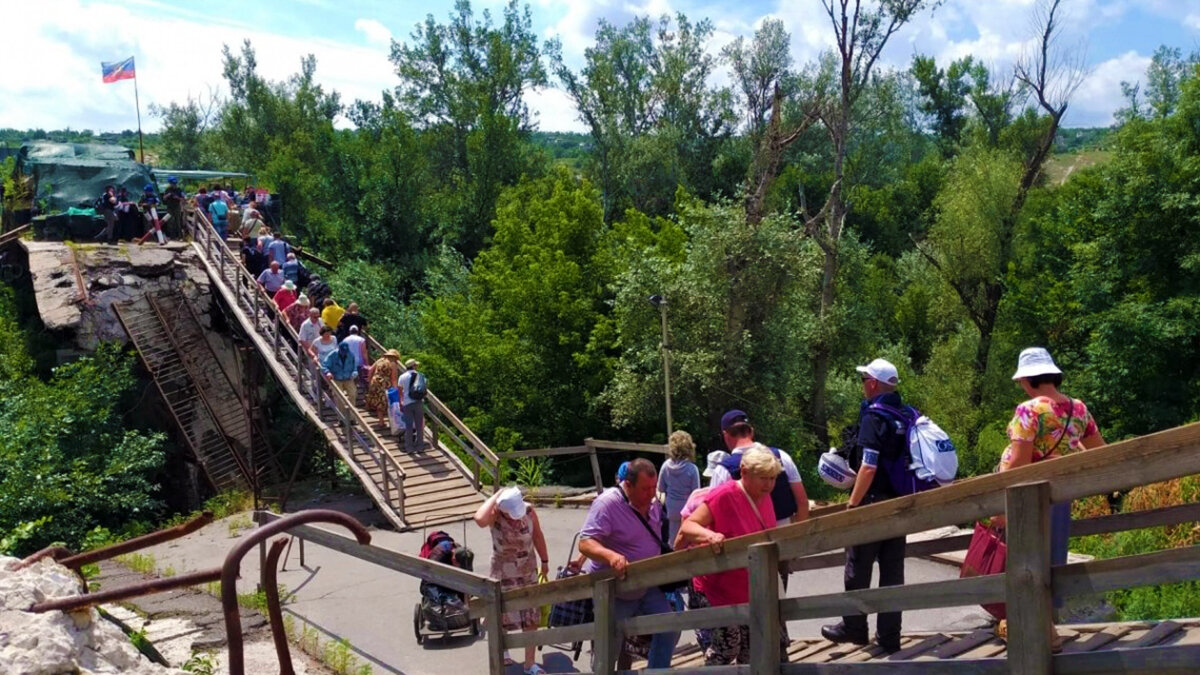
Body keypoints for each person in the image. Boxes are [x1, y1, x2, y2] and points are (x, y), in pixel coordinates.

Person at [822, 358, 908, 653]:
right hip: (899, 503)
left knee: (857, 567)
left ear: (872, 383)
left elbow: (868, 466)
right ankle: (890, 637)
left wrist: (853, 503)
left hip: (872, 503)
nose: (862, 386)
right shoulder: (905, 413)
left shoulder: (874, 416)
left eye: (863, 380)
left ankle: (855, 628)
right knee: (892, 573)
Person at [679, 444, 788, 665]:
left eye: (772, 478)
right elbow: (688, 527)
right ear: (745, 472)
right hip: (718, 586)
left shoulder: (765, 496)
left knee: (750, 651)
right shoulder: (724, 495)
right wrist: (710, 536)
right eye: (763, 478)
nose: (769, 484)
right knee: (728, 647)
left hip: (749, 586)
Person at [996, 347, 1106, 562]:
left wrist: (1001, 507)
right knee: (1054, 559)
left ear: (1027, 379)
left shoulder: (1029, 410)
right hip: (1060, 494)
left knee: (1025, 562)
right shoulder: (1079, 409)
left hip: (1027, 496)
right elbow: (1101, 453)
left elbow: (1019, 465)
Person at [577, 457, 681, 669]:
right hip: (616, 590)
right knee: (609, 647)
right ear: (628, 484)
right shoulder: (607, 504)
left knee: (670, 626)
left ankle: (656, 672)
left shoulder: (652, 503)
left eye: (654, 488)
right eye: (645, 489)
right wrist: (611, 556)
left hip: (646, 584)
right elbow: (585, 543)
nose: (651, 494)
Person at [473, 487, 550, 675]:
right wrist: (497, 495)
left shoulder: (529, 511)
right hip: (503, 570)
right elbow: (479, 519)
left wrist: (545, 560)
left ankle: (529, 663)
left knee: (531, 614)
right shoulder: (495, 515)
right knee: (501, 614)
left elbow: (537, 535)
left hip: (527, 569)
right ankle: (503, 650)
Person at [709, 410, 810, 524]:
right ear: (751, 432)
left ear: (725, 435)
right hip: (785, 531)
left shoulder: (723, 470)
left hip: (746, 537)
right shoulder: (780, 456)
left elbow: (713, 511)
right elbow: (802, 501)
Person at [657, 431, 700, 546]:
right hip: (687, 510)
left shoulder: (665, 466)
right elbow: (696, 493)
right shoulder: (692, 469)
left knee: (673, 541)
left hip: (671, 509)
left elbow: (660, 489)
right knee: (688, 541)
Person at [396, 359, 426, 453]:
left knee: (408, 426)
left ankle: (409, 448)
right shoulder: (421, 376)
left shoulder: (402, 377)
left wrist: (401, 402)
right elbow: (424, 389)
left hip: (407, 403)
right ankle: (420, 447)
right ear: (414, 366)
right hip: (418, 402)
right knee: (419, 426)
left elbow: (400, 392)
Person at [321, 341, 359, 411]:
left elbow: (355, 367)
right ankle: (342, 418)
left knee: (353, 394)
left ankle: (352, 416)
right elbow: (324, 366)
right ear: (339, 349)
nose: (344, 353)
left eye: (345, 351)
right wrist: (328, 372)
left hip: (348, 378)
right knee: (339, 397)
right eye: (342, 351)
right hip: (337, 378)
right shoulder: (332, 355)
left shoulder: (351, 355)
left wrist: (354, 373)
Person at [365, 349, 402, 418]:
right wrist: (395, 389)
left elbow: (370, 370)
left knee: (375, 398)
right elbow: (394, 378)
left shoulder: (380, 360)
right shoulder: (392, 363)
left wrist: (370, 380)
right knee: (382, 402)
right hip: (384, 384)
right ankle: (381, 421)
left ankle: (369, 409)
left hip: (375, 380)